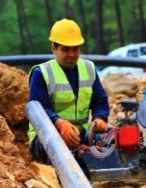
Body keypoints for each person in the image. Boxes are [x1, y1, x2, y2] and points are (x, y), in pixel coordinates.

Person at [28, 19, 110, 179]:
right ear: (54, 48)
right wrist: (60, 124)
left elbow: (100, 100)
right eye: (65, 49)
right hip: (45, 138)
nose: (71, 54)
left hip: (80, 134)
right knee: (60, 147)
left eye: (75, 49)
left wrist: (100, 118)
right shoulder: (41, 73)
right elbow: (37, 110)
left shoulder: (89, 68)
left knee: (112, 137)